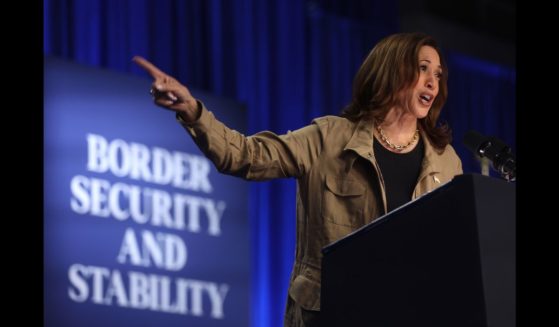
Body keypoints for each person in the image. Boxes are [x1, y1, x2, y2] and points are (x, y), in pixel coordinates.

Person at [133, 32, 463, 327]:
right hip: (332, 314)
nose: (433, 82)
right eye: (422, 69)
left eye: (438, 74)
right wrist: (193, 112)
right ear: (391, 71)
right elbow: (247, 156)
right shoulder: (329, 139)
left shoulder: (446, 163)